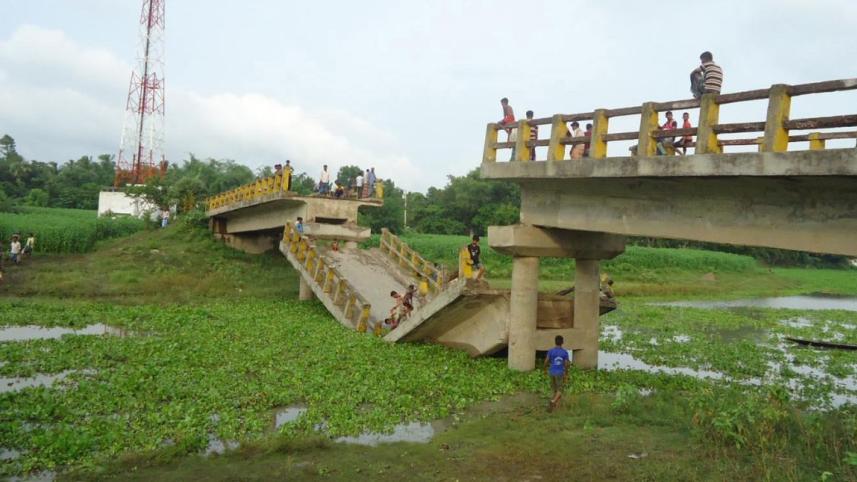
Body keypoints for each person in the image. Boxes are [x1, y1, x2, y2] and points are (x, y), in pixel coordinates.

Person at [544, 335, 571, 411]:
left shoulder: (551, 351)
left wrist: (545, 369)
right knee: (560, 390)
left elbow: (546, 361)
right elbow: (566, 364)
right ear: (562, 342)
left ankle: (555, 406)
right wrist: (566, 373)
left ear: (555, 342)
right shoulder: (564, 352)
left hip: (551, 372)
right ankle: (553, 401)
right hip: (559, 373)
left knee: (555, 390)